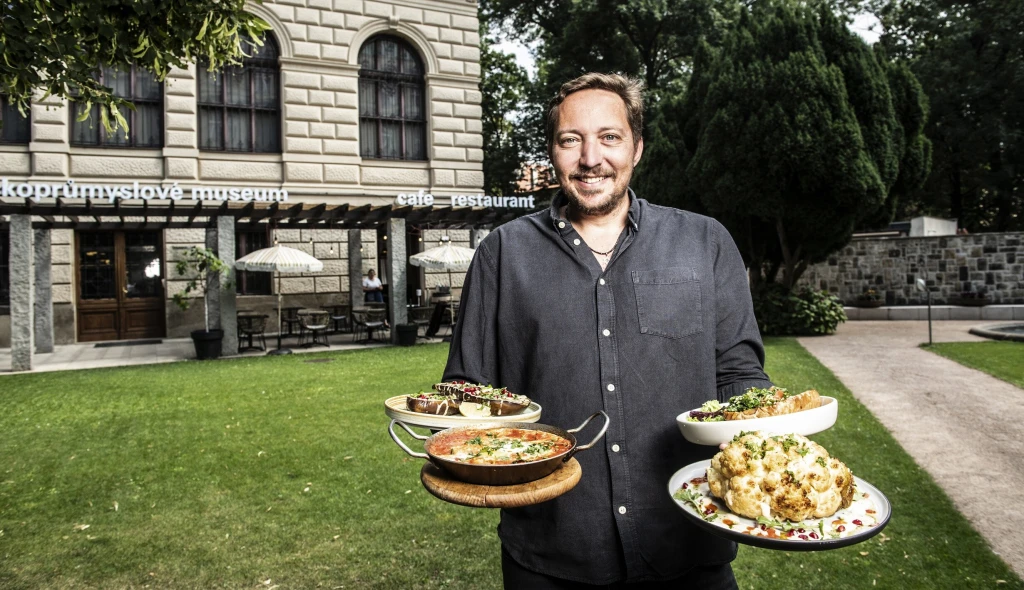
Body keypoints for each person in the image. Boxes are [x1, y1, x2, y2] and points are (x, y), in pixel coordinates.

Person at [443, 73, 773, 588]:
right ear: (553, 153)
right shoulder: (502, 254)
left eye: (609, 137)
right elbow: (469, 395)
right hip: (552, 552)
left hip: (689, 542)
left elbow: (738, 376)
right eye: (570, 140)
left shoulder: (704, 242)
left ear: (637, 148)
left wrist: (777, 452)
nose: (591, 158)